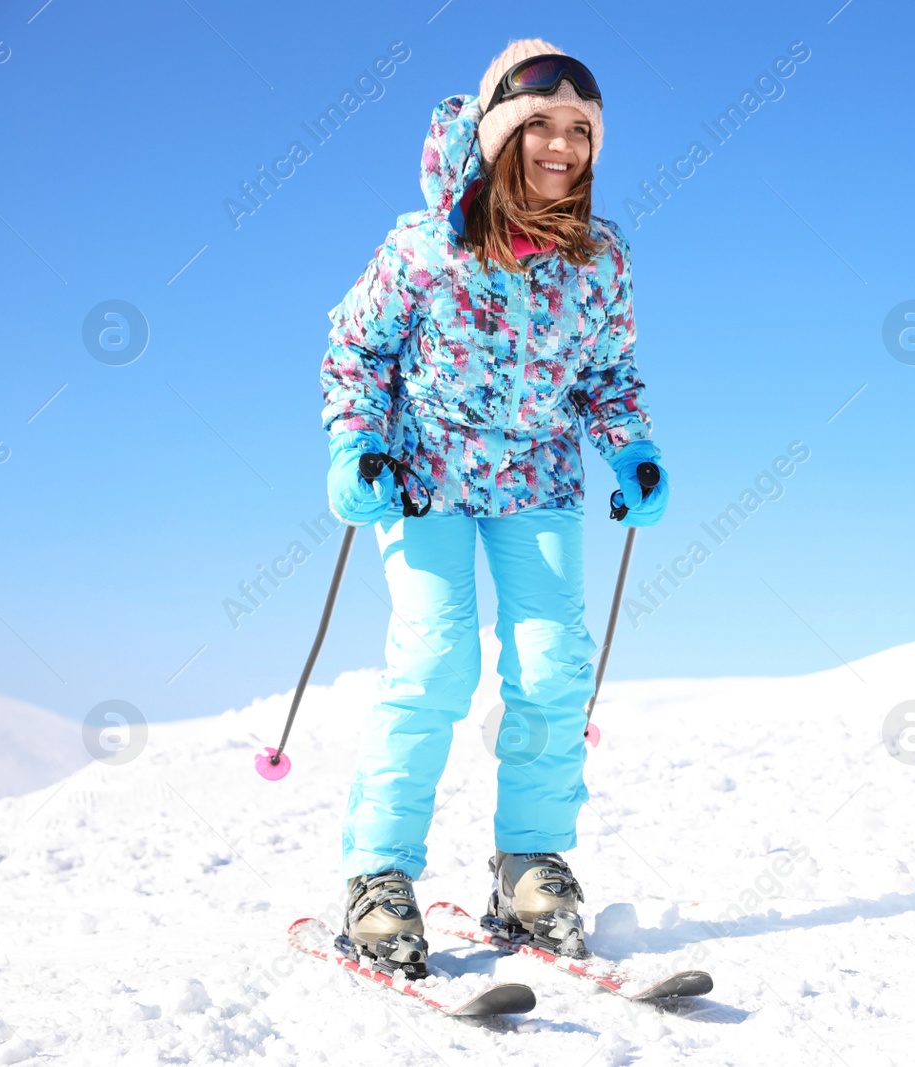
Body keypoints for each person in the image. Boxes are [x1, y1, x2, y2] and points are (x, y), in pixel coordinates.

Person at [318, 38, 668, 972]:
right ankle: (377, 881)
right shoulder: (423, 246)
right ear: (500, 134)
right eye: (541, 124)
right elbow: (357, 351)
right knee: (434, 659)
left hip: (539, 482)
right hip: (423, 478)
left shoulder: (601, 258)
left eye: (581, 131)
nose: (562, 146)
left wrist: (629, 445)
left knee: (553, 666)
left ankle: (528, 868)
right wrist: (357, 443)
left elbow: (606, 373)